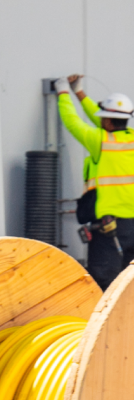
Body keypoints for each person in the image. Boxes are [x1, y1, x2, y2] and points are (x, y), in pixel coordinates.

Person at [57, 74, 134, 289]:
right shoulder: (130, 138)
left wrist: (63, 92)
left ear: (107, 121)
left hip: (110, 227)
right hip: (131, 225)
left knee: (104, 282)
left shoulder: (100, 141)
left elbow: (73, 122)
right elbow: (105, 122)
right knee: (128, 285)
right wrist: (79, 93)